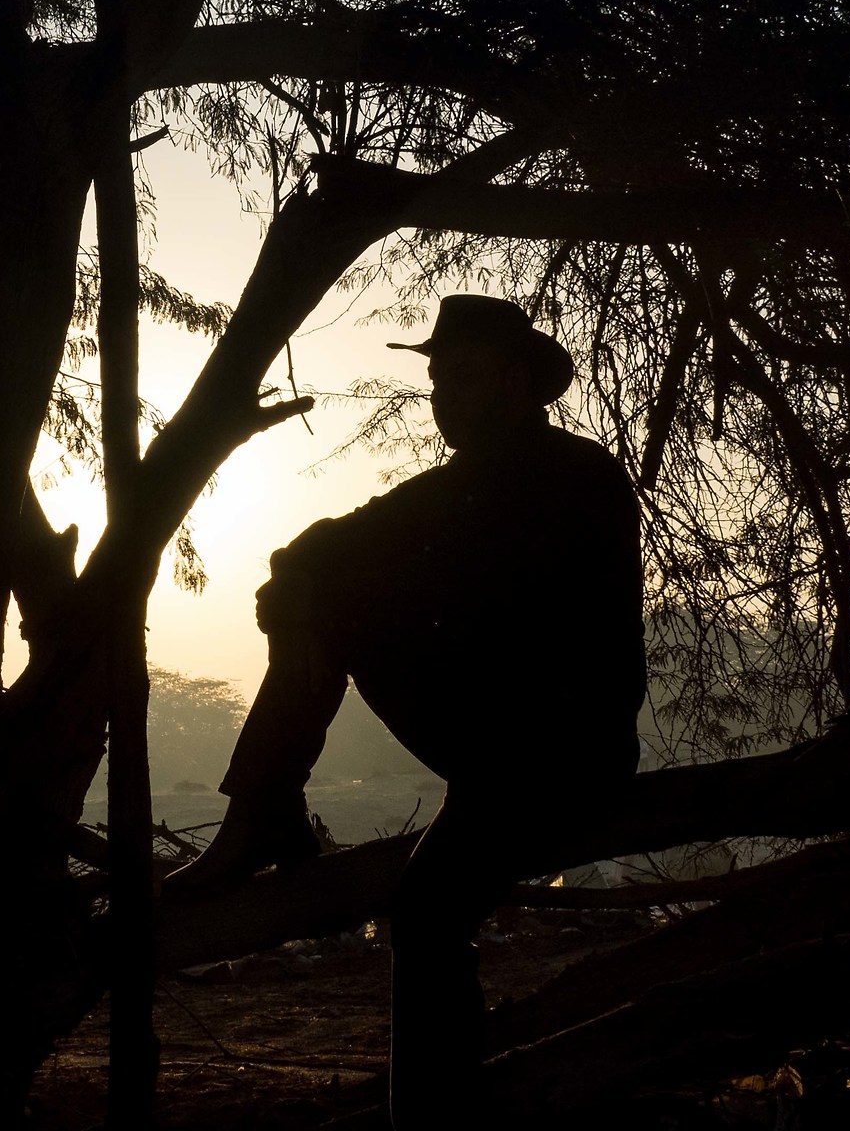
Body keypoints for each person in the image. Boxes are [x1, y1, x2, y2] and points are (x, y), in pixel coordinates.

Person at [163, 294, 645, 1125]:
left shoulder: (569, 478)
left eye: (460, 376)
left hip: (563, 751)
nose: (440, 397)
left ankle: (435, 1123)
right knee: (330, 588)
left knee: (426, 912)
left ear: (518, 381)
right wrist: (300, 592)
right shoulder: (465, 484)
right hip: (499, 746)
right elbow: (314, 549)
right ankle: (266, 810)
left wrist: (319, 585)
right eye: (435, 380)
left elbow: (362, 555)